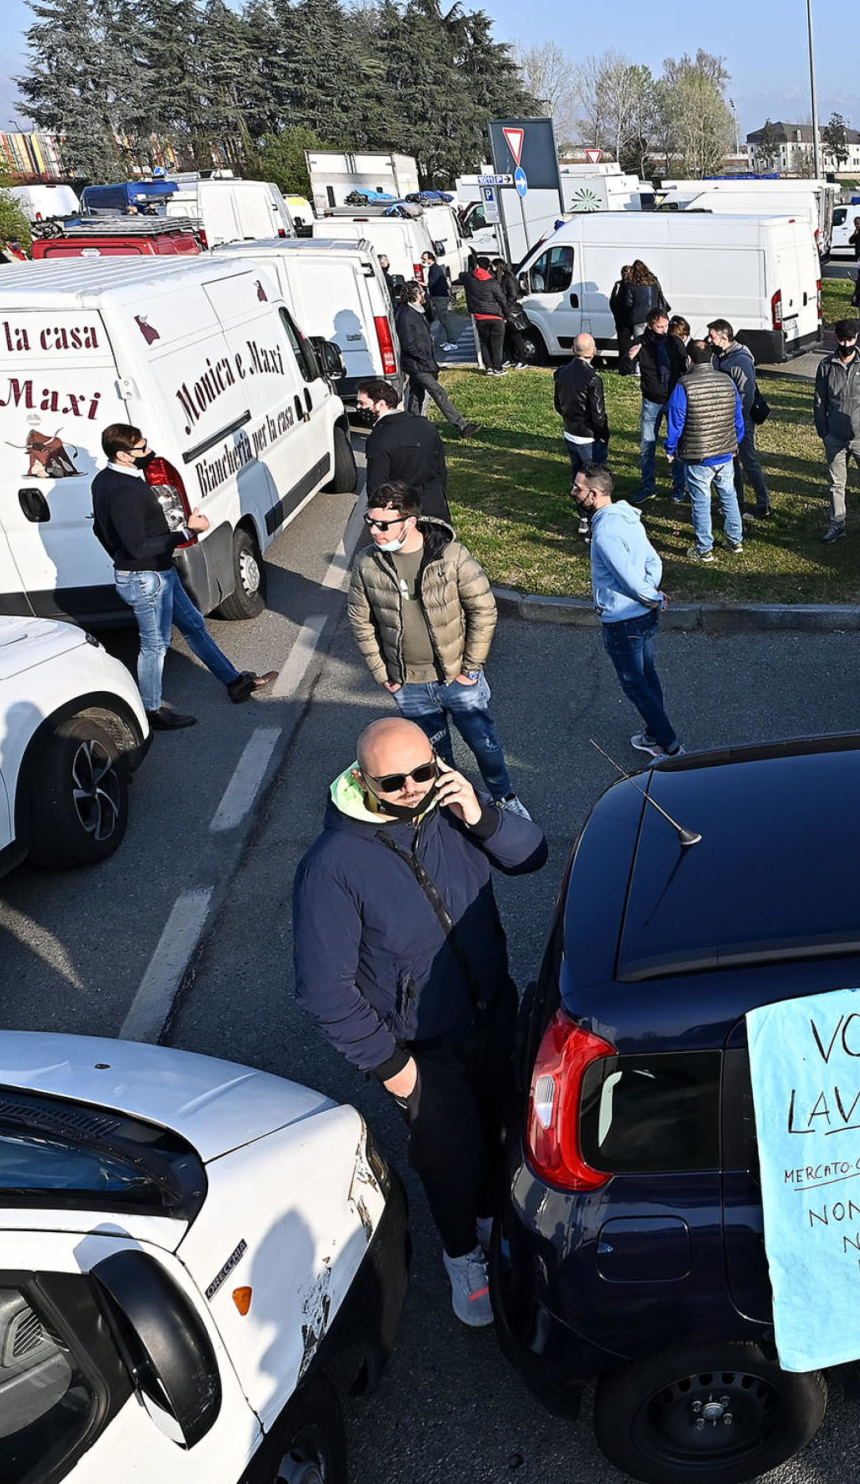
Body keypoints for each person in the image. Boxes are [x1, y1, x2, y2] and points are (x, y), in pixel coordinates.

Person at [291, 714, 547, 1325]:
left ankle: (491, 1219)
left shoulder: (453, 808)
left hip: (493, 1012)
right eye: (392, 780)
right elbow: (324, 991)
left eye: (421, 772)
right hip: (421, 1047)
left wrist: (481, 817)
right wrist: (392, 1068)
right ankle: (463, 1255)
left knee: (503, 1130)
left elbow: (532, 857)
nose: (410, 787)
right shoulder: (331, 865)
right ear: (362, 780)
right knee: (447, 1158)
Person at [345, 482, 525, 819]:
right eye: (370, 521)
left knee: (485, 746)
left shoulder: (451, 556)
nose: (374, 530)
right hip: (409, 685)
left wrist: (471, 668)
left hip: (458, 681)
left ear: (409, 522)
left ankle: (504, 798)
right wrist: (384, 674)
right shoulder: (367, 563)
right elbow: (360, 620)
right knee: (432, 756)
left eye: (383, 524)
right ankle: (450, 809)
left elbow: (484, 610)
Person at [90, 422, 275, 728]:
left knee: (194, 625)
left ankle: (234, 682)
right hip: (146, 579)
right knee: (154, 646)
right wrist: (187, 531)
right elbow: (138, 546)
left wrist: (122, 557)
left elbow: (100, 530)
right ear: (124, 455)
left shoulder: (104, 480)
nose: (149, 452)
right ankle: (151, 712)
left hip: (159, 572)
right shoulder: (125, 491)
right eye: (142, 449)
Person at [576, 467, 682, 757]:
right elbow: (653, 560)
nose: (574, 493)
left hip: (623, 623)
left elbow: (627, 579)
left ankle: (669, 745)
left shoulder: (605, 535)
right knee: (647, 676)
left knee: (636, 686)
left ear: (594, 495)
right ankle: (653, 733)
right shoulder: (628, 519)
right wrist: (652, 590)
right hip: (643, 619)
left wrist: (651, 597)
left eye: (578, 489)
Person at [665, 341, 747, 561]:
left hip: (698, 454)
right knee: (728, 495)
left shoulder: (685, 384)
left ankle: (704, 548)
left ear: (689, 360)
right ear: (711, 358)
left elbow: (676, 420)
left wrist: (671, 448)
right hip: (726, 451)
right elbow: (738, 417)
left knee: (701, 501)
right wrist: (735, 441)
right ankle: (735, 540)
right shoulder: (727, 381)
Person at [813, 318, 860, 542]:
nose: (846, 343)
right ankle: (837, 524)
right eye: (842, 339)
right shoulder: (825, 366)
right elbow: (820, 401)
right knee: (836, 484)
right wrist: (824, 431)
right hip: (835, 437)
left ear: (856, 338)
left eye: (850, 339)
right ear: (836, 339)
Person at [353, 377, 449, 522]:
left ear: (381, 404)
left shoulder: (379, 439)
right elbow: (441, 468)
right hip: (436, 505)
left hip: (403, 512)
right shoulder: (425, 424)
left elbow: (377, 488)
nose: (358, 407)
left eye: (362, 403)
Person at [709, 320, 773, 520]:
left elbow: (747, 394)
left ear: (724, 337)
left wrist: (738, 423)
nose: (709, 340)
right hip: (725, 418)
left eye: (712, 336)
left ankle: (763, 503)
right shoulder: (720, 356)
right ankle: (736, 501)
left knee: (748, 459)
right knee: (732, 461)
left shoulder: (740, 360)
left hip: (740, 419)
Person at [552, 336, 609, 533]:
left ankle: (583, 518)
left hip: (571, 433)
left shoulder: (561, 373)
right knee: (594, 480)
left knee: (577, 476)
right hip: (589, 437)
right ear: (593, 351)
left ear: (572, 349)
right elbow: (598, 414)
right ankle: (593, 519)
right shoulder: (593, 379)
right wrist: (603, 435)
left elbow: (558, 405)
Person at [397, 282, 468, 428]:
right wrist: (425, 359)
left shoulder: (417, 311)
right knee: (437, 392)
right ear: (415, 294)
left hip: (420, 362)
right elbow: (408, 344)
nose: (424, 295)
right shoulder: (406, 315)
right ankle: (461, 425)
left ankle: (413, 425)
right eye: (422, 292)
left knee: (416, 395)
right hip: (417, 364)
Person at [629, 307, 680, 502]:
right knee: (647, 446)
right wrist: (629, 357)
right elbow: (624, 369)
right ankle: (648, 485)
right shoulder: (641, 343)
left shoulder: (673, 342)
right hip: (652, 400)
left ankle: (679, 485)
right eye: (660, 327)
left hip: (673, 400)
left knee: (677, 445)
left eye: (666, 325)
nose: (664, 330)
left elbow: (683, 366)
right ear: (650, 326)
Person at [465, 255, 514, 376]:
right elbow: (501, 299)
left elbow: (463, 275)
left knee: (484, 342)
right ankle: (498, 367)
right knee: (497, 344)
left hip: (479, 316)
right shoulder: (492, 282)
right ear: (488, 268)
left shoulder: (469, 280)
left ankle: (489, 367)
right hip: (495, 316)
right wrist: (507, 315)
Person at [422, 251, 455, 351]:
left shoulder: (435, 269)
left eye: (424, 258)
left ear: (430, 259)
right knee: (442, 319)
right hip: (439, 295)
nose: (423, 261)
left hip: (440, 296)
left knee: (444, 319)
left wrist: (418, 282)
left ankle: (452, 341)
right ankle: (449, 340)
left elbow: (431, 283)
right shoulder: (435, 268)